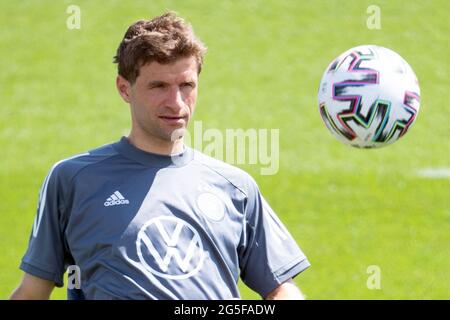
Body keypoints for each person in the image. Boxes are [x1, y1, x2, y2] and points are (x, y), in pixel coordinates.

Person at [10, 12, 310, 300]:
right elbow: (33, 292)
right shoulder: (72, 179)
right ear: (124, 89)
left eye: (186, 85)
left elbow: (281, 289)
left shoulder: (235, 186)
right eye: (159, 86)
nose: (176, 103)